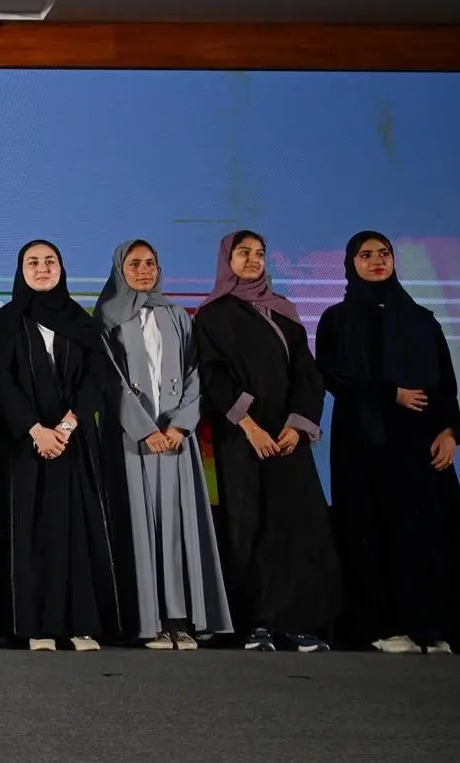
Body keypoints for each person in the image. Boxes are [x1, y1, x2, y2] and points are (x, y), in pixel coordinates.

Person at [194, 230, 339, 653]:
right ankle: (255, 623)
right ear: (227, 259)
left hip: (287, 436)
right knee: (249, 525)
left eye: (259, 253)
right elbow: (212, 376)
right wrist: (249, 426)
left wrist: (297, 425)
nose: (253, 260)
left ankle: (298, 622)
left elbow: (307, 374)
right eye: (243, 253)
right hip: (242, 438)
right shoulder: (213, 314)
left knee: (296, 525)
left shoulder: (284, 310)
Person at [316, 230, 458, 654]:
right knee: (372, 533)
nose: (377, 261)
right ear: (350, 263)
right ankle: (381, 627)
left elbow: (445, 384)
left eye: (384, 253)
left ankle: (431, 626)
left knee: (427, 534)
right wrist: (390, 393)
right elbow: (333, 375)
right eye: (366, 255)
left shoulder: (421, 320)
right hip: (365, 445)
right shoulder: (337, 319)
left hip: (420, 446)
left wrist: (451, 432)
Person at [0, 240, 120, 652]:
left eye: (49, 261)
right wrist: (35, 430)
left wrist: (66, 425)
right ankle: (33, 626)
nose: (42, 269)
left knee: (75, 530)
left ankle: (79, 624)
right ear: (20, 270)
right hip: (25, 445)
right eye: (33, 262)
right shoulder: (7, 320)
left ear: (61, 268)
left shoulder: (80, 320)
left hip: (73, 441)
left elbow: (96, 377)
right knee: (30, 531)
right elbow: (1, 381)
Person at [95, 240, 231, 650]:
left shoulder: (177, 316)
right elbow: (109, 378)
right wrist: (144, 428)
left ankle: (178, 619)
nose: (143, 270)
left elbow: (194, 375)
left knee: (177, 527)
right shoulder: (107, 317)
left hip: (174, 442)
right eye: (134, 264)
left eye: (150, 263)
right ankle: (145, 621)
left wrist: (181, 426)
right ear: (120, 269)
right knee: (137, 528)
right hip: (131, 440)